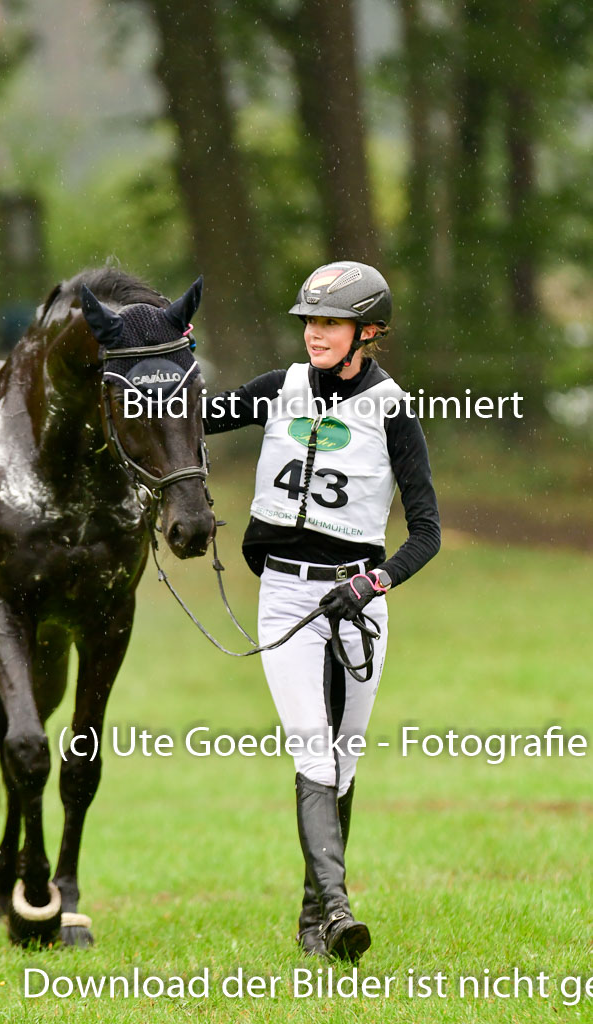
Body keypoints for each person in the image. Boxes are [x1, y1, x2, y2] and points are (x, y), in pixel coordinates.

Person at [205, 261, 441, 962]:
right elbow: (191, 420)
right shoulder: (278, 388)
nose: (314, 333)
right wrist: (160, 365)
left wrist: (375, 583)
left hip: (357, 601)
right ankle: (339, 912)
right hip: (286, 595)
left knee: (344, 755)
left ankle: (315, 920)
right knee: (311, 741)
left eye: (330, 322)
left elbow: (426, 531)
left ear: (368, 332)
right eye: (310, 321)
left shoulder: (392, 410)